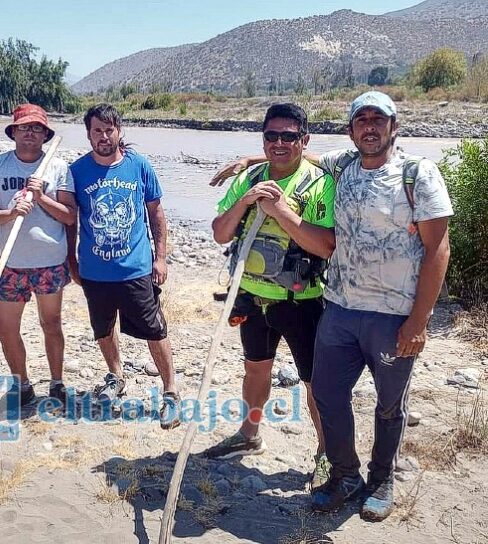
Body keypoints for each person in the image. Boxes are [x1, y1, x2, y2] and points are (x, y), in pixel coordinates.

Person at [212, 91, 453, 521]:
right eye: (362, 119)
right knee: (327, 394)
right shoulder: (341, 165)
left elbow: (438, 250)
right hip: (340, 307)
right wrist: (250, 164)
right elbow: (291, 155)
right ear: (351, 129)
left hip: (393, 312)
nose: (370, 126)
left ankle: (381, 480)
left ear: (394, 127)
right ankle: (345, 474)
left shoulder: (419, 174)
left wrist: (419, 321)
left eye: (379, 119)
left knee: (388, 403)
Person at [203, 104, 334, 491]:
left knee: (315, 383)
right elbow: (220, 233)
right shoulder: (250, 179)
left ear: (304, 140)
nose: (279, 143)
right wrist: (245, 202)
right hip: (251, 297)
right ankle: (249, 433)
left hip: (301, 302)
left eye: (289, 136)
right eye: (271, 136)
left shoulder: (319, 183)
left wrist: (279, 211)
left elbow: (326, 246)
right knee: (255, 370)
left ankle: (327, 454)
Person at [67, 103, 181, 430]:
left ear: (119, 131)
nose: (104, 136)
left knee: (154, 328)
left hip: (135, 268)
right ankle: (116, 377)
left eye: (109, 130)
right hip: (94, 271)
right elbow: (71, 221)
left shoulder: (139, 166)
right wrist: (72, 259)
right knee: (103, 328)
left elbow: (156, 214)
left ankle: (170, 390)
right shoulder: (77, 171)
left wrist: (160, 257)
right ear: (88, 134)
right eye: (97, 131)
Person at [0, 104, 76, 406]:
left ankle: (57, 382)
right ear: (14, 132)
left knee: (51, 324)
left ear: (45, 134)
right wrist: (11, 212)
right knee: (5, 329)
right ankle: (21, 384)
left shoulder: (57, 167)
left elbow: (69, 216)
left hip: (49, 262)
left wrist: (41, 197)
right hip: (11, 264)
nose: (30, 132)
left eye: (37, 128)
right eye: (24, 127)